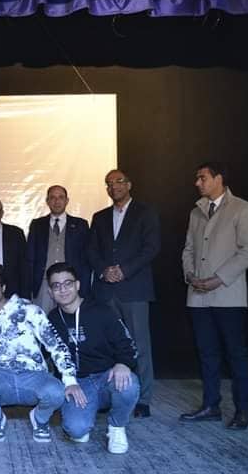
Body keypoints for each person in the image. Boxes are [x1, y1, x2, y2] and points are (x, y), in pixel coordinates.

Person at [180, 162, 248, 430]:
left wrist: (218, 279)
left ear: (219, 179)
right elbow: (188, 249)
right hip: (198, 295)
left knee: (236, 354)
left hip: (228, 295)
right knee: (207, 353)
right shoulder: (196, 211)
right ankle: (210, 406)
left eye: (202, 178)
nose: (197, 183)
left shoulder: (243, 209)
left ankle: (242, 411)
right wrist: (190, 275)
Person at [0, 260, 80, 443]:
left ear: (3, 287)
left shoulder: (30, 311)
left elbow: (56, 346)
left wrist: (70, 380)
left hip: (34, 375)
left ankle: (39, 419)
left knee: (56, 392)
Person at [86, 169, 160, 418]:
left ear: (129, 184)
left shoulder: (146, 213)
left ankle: (143, 399)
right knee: (107, 345)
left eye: (118, 181)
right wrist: (103, 271)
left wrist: (124, 270)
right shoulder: (99, 217)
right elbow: (91, 250)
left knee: (140, 344)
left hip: (134, 289)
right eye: (109, 183)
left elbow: (151, 248)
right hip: (105, 291)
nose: (114, 186)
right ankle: (111, 395)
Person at [45, 262, 139, 454]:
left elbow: (128, 344)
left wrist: (123, 363)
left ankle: (117, 427)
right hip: (77, 383)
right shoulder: (51, 319)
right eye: (56, 286)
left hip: (106, 377)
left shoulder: (102, 311)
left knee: (128, 383)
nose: (63, 290)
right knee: (76, 430)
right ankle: (85, 415)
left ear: (78, 285)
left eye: (68, 283)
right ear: (50, 292)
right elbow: (42, 353)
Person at [27, 185, 91, 314]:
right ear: (47, 201)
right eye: (53, 198)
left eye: (61, 197)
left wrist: (83, 286)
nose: (57, 201)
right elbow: (30, 258)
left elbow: (86, 258)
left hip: (70, 285)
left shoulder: (80, 224)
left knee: (71, 320)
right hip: (44, 285)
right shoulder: (37, 225)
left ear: (67, 200)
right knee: (43, 321)